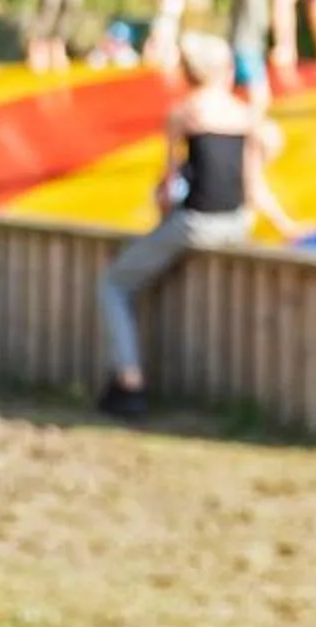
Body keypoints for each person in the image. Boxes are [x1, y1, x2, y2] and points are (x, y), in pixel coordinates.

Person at [95, 30, 302, 421]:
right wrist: (286, 225)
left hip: (197, 223)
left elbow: (167, 185)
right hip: (237, 222)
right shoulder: (245, 116)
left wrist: (159, 225)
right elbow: (254, 185)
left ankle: (129, 380)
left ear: (188, 74)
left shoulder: (185, 113)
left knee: (114, 284)